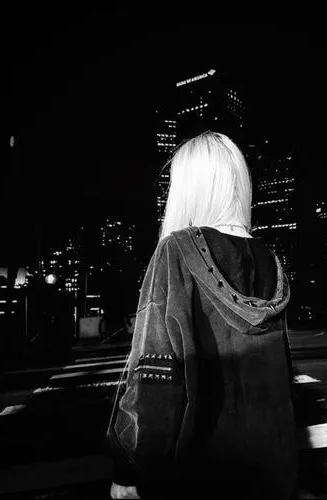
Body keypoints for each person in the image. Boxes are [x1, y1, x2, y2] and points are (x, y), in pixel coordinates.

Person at [106, 131, 299, 499]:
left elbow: (155, 378)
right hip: (274, 468)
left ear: (190, 187)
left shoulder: (175, 251)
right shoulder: (269, 259)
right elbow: (282, 375)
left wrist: (129, 468)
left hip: (200, 472)